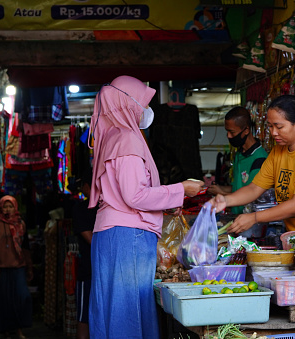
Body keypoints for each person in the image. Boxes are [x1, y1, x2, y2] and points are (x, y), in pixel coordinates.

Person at [87, 75, 204, 338]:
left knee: (111, 307)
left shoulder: (110, 135)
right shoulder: (127, 139)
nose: (146, 110)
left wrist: (166, 202)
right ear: (127, 105)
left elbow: (122, 192)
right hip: (128, 235)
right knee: (128, 309)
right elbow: (134, 196)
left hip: (112, 233)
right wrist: (180, 190)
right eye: (142, 103)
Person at [211, 94, 295, 236]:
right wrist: (225, 200)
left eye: (279, 127)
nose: (273, 133)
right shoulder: (278, 152)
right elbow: (254, 188)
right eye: (270, 127)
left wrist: (254, 218)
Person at [207, 107, 268, 214]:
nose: (228, 136)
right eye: (227, 131)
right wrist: (218, 189)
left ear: (246, 131)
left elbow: (253, 193)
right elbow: (239, 186)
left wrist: (222, 193)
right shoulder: (239, 154)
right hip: (236, 216)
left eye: (232, 132)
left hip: (250, 220)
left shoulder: (260, 159)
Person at [0, 195, 33, 339]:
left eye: (11, 206)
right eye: (5, 206)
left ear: (15, 208)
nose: (8, 209)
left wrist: (29, 267)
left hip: (18, 266)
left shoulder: (20, 224)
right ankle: (6, 331)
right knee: (4, 300)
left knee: (22, 297)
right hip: (2, 267)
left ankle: (19, 329)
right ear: (0, 208)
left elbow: (26, 247)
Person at [72, 171, 97, 339]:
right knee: (84, 315)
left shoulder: (105, 207)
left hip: (102, 271)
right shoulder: (81, 208)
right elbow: (90, 239)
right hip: (88, 270)